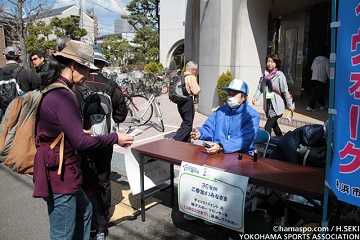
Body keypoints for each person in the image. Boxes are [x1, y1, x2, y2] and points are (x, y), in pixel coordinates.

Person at [32, 40, 134, 240]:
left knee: (85, 211)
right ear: (72, 66)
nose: (89, 74)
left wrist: (77, 132)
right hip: (60, 174)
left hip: (60, 169)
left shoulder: (55, 89)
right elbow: (80, 143)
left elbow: (60, 130)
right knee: (62, 233)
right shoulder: (64, 96)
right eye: (86, 69)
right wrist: (114, 137)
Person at [186, 79, 260, 222]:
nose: (230, 97)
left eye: (235, 94)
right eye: (229, 94)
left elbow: (245, 138)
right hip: (218, 154)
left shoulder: (252, 115)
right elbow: (209, 128)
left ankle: (215, 210)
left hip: (240, 157)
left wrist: (222, 146)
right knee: (197, 170)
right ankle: (201, 208)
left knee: (221, 179)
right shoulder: (221, 111)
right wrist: (200, 132)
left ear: (245, 97)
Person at [75, 45, 128, 240]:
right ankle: (103, 222)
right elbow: (122, 114)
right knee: (104, 180)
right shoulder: (111, 85)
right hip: (106, 141)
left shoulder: (77, 84)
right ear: (103, 64)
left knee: (86, 181)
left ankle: (91, 224)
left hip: (83, 141)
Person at [252, 53, 295, 137]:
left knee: (267, 126)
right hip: (268, 105)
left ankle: (266, 145)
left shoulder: (279, 75)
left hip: (277, 105)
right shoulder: (264, 76)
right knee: (275, 126)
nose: (270, 64)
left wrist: (290, 105)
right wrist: (255, 97)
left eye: (272, 61)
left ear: (276, 63)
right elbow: (260, 88)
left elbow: (285, 91)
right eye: (268, 61)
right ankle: (281, 141)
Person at [0, 46, 40, 121]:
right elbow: (38, 89)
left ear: (5, 56)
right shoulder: (27, 72)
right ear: (19, 57)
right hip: (24, 113)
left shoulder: (0, 72)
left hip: (4, 114)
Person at [173, 61, 201, 142]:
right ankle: (176, 139)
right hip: (187, 102)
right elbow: (196, 90)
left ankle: (186, 140)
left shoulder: (181, 76)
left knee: (186, 121)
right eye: (195, 70)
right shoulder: (191, 77)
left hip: (180, 102)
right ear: (192, 69)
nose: (195, 72)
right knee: (188, 122)